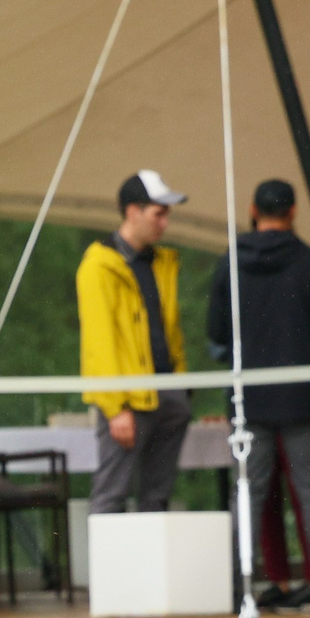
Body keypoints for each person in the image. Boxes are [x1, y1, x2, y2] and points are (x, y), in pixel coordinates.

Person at [207, 178, 310, 605]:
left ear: (252, 208)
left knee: (249, 492)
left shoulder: (230, 262)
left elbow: (217, 335)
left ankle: (239, 585)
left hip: (250, 398)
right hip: (305, 397)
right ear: (293, 212)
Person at [79, 170, 191, 515]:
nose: (165, 224)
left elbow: (168, 329)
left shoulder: (159, 262)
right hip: (129, 401)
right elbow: (100, 341)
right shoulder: (99, 266)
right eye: (159, 213)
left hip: (166, 392)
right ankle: (108, 570)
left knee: (156, 495)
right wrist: (115, 408)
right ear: (132, 211)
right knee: (112, 493)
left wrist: (182, 386)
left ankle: (150, 569)